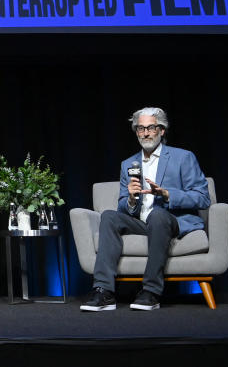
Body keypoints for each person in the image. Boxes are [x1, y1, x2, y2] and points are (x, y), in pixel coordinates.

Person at [80, 107, 210, 312]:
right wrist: (131, 199)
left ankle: (151, 291)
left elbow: (203, 198)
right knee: (109, 216)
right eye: (141, 128)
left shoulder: (183, 158)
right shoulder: (128, 164)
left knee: (158, 215)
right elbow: (123, 206)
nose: (146, 133)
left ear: (162, 130)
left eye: (151, 127)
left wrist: (167, 195)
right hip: (142, 222)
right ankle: (104, 291)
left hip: (172, 221)